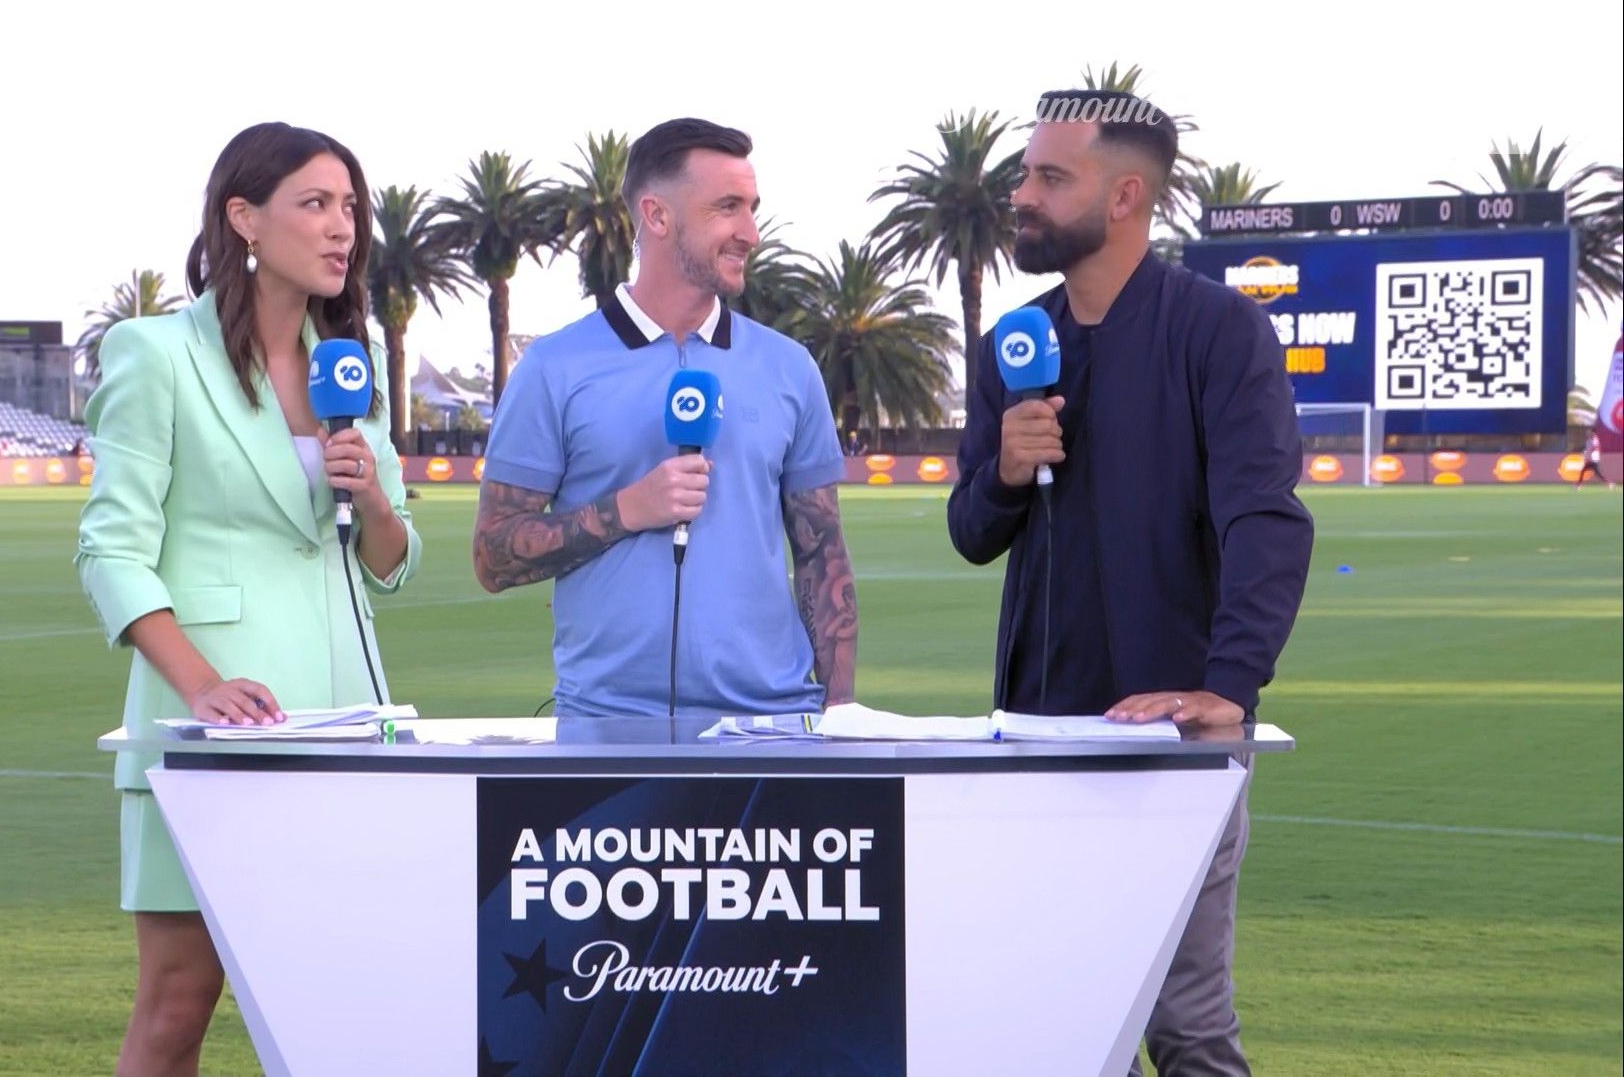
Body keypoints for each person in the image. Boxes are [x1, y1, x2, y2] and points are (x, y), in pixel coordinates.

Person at [946, 90, 1313, 1076]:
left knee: (1186, 1027)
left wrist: (1229, 687)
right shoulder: (1012, 345)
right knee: (1049, 1023)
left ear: (1124, 198)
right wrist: (1006, 472)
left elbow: (1266, 520)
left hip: (1175, 741)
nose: (1021, 195)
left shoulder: (1219, 332)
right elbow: (971, 532)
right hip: (1037, 737)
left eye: (1048, 177)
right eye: (1025, 174)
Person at [75, 121, 420, 1077]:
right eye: (316, 204)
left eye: (349, 207)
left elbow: (392, 560)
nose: (342, 227)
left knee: (345, 1009)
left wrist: (372, 497)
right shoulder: (155, 353)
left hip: (348, 723)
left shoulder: (350, 360)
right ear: (244, 218)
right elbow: (110, 549)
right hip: (210, 731)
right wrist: (202, 687)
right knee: (177, 1008)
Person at [474, 117, 856, 731]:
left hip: (771, 728)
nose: (751, 233)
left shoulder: (789, 368)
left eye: (752, 209)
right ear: (656, 216)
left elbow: (822, 554)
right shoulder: (552, 368)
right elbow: (492, 557)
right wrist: (627, 509)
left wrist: (839, 716)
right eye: (727, 208)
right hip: (606, 730)